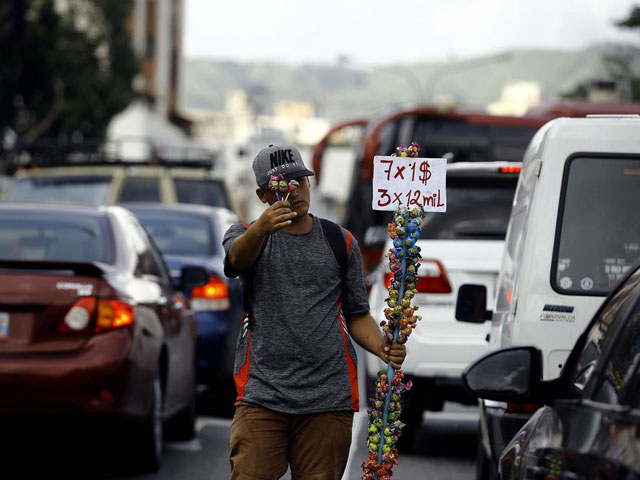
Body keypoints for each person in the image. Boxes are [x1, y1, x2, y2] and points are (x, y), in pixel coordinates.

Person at [223, 145, 406, 480]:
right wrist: (261, 229)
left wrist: (382, 347)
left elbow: (357, 314)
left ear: (310, 183)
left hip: (328, 397)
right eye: (282, 187)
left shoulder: (340, 241)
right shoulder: (245, 236)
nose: (293, 192)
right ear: (263, 195)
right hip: (262, 394)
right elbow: (236, 259)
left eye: (300, 182)